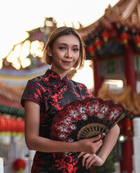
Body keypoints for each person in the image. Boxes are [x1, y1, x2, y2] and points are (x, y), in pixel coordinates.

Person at [21, 27, 120, 173]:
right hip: (48, 169)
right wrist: (78, 146)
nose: (69, 55)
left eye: (75, 49)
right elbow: (32, 141)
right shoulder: (36, 86)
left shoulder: (81, 90)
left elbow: (113, 127)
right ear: (49, 50)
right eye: (62, 48)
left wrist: (101, 157)